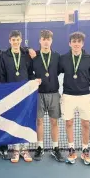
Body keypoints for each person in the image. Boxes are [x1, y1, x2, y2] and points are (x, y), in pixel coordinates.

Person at [0, 30, 40, 163]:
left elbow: (30, 72)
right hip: (12, 94)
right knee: (15, 121)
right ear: (9, 40)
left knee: (26, 120)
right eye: (13, 40)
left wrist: (34, 81)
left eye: (17, 40)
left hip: (26, 94)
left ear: (21, 40)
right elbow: (2, 75)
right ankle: (16, 150)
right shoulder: (4, 56)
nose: (15, 42)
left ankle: (25, 149)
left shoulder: (26, 54)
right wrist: (6, 92)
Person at [59, 32, 90, 165]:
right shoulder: (63, 58)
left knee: (86, 124)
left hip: (85, 95)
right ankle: (71, 150)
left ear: (82, 44)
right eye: (74, 41)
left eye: (79, 41)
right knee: (69, 123)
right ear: (70, 43)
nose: (76, 44)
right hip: (68, 96)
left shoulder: (89, 58)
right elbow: (53, 71)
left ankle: (85, 150)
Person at [32, 30, 64, 162]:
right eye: (43, 39)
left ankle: (55, 148)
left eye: (48, 39)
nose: (46, 41)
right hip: (38, 94)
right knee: (39, 121)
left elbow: (62, 71)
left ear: (51, 41)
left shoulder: (57, 56)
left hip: (54, 93)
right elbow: (28, 72)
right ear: (40, 41)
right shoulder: (34, 55)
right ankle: (40, 147)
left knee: (54, 122)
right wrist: (34, 79)